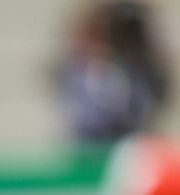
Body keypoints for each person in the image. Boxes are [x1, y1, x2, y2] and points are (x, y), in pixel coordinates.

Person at [55, 0, 170, 143]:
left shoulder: (142, 71)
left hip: (133, 143)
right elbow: (92, 118)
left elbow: (146, 106)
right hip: (92, 144)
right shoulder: (84, 69)